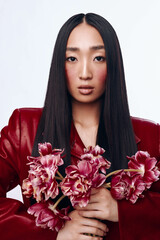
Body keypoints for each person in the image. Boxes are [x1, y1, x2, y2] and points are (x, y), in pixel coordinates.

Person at [0, 13, 159, 240]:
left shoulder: (151, 136)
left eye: (98, 58)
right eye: (72, 59)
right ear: (59, 64)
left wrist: (124, 211)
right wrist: (52, 233)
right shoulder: (23, 128)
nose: (85, 73)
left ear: (113, 64)